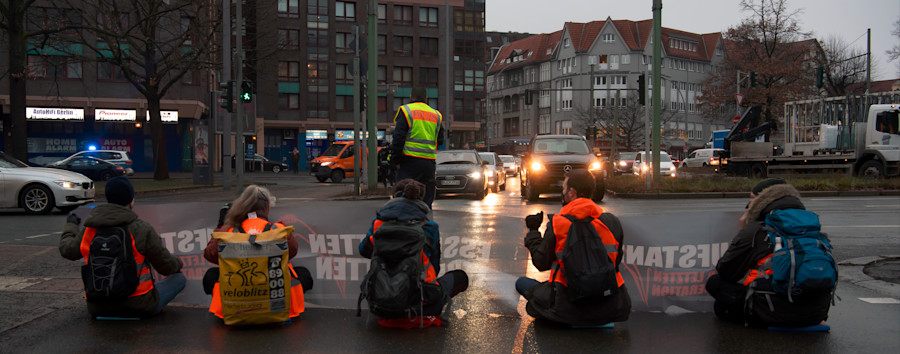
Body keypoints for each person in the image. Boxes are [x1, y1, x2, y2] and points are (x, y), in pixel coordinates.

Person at [706, 178, 832, 327]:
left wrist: (742, 231)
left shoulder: (757, 230)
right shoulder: (811, 227)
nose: (749, 204)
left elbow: (727, 271)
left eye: (753, 199)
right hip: (816, 313)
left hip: (772, 310)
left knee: (714, 282)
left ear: (762, 200)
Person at [516, 169, 631, 326]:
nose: (562, 193)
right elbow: (616, 262)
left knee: (522, 283)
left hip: (567, 305)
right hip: (610, 306)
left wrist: (533, 232)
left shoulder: (558, 224)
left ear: (572, 193)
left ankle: (557, 315)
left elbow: (541, 263)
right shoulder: (611, 222)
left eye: (563, 189)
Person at [59, 177, 186, 319]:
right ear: (131, 200)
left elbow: (67, 250)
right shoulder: (141, 228)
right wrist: (179, 263)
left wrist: (71, 225)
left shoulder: (90, 229)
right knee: (179, 279)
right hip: (139, 305)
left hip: (98, 307)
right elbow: (166, 266)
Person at [358, 178, 468, 327]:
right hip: (418, 304)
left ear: (394, 197)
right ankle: (427, 311)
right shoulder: (429, 227)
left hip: (379, 305)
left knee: (369, 276)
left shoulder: (379, 223)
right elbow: (434, 268)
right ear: (420, 200)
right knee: (460, 277)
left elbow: (363, 251)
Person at [203, 185, 313, 318]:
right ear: (268, 208)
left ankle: (229, 306)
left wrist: (222, 225)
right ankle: (284, 306)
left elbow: (210, 254)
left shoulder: (228, 231)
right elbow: (293, 251)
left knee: (211, 276)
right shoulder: (279, 229)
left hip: (235, 304)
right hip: (276, 301)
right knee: (302, 273)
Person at [391, 86, 445, 209]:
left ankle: (405, 223)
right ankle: (424, 223)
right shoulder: (436, 115)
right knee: (426, 199)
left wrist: (395, 160)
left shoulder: (406, 111)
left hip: (409, 162)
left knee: (403, 197)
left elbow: (398, 138)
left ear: (411, 97)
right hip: (428, 163)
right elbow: (440, 140)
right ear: (426, 99)